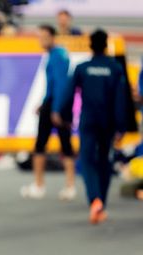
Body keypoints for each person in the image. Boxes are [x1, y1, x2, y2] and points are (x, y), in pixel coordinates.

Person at [59, 29, 127, 224]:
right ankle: (101, 205)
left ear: (90, 45)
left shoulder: (82, 67)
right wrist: (121, 126)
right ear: (106, 45)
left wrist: (64, 116)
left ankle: (94, 199)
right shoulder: (115, 68)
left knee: (87, 160)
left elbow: (68, 94)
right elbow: (120, 98)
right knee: (104, 160)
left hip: (88, 120)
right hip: (108, 122)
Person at [20, 24, 76, 200]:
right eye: (40, 36)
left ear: (52, 37)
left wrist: (56, 109)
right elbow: (52, 85)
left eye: (44, 36)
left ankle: (49, 186)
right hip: (53, 103)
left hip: (58, 105)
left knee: (57, 145)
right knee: (50, 144)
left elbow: (61, 84)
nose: (41, 40)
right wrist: (43, 103)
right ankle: (54, 186)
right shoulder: (54, 54)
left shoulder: (58, 55)